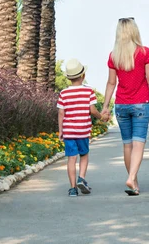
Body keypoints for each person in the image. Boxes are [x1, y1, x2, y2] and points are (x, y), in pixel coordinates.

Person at [101, 18, 149, 196]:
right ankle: (132, 177)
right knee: (138, 144)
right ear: (134, 31)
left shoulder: (114, 55)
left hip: (121, 105)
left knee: (127, 145)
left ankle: (134, 183)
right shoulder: (145, 53)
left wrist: (105, 106)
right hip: (141, 105)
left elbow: (111, 83)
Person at [57, 59, 106, 197]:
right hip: (83, 131)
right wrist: (101, 116)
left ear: (68, 78)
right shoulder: (88, 91)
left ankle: (73, 188)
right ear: (83, 75)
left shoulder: (64, 93)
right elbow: (92, 110)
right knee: (84, 155)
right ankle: (81, 179)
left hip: (69, 131)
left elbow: (61, 112)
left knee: (71, 159)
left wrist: (61, 130)